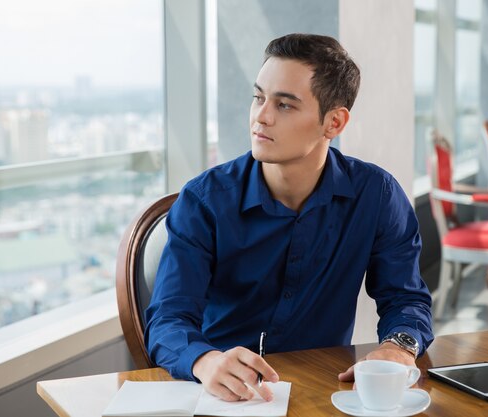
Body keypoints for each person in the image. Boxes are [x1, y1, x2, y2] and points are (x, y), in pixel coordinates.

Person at [145, 33, 433, 403]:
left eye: (284, 105)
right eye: (259, 97)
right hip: (222, 396)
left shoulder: (376, 195)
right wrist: (204, 360)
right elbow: (168, 319)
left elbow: (405, 299)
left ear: (334, 123)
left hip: (322, 391)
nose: (260, 117)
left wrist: (399, 347)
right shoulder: (204, 201)